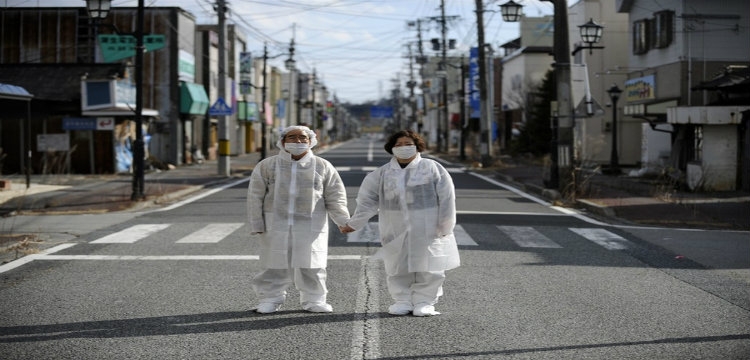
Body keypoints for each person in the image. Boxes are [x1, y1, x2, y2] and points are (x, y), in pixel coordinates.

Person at [341, 130, 460, 316]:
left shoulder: (432, 168)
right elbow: (367, 201)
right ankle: (402, 299)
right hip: (393, 225)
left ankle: (425, 301)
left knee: (429, 265)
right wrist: (354, 223)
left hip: (428, 225)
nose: (403, 148)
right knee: (397, 265)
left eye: (408, 143)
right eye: (398, 144)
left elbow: (447, 197)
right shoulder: (381, 174)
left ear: (417, 145)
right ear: (391, 148)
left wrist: (446, 223)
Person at [246, 125, 350, 314]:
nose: (298, 141)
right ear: (282, 141)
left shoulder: (322, 166)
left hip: (311, 223)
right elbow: (255, 196)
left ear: (311, 141)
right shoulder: (267, 165)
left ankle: (315, 300)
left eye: (303, 138)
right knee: (273, 263)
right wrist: (257, 223)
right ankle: (270, 298)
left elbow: (335, 196)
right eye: (292, 137)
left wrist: (343, 221)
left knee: (312, 264)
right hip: (275, 223)